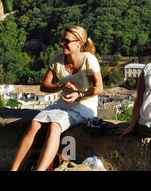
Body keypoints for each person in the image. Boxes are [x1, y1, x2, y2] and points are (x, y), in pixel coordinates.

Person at [11, 26, 103, 171]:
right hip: (63, 102)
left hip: (85, 105)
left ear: (79, 43)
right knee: (35, 124)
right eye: (62, 40)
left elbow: (99, 88)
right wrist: (61, 86)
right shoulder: (58, 59)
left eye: (66, 41)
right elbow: (44, 86)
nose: (62, 44)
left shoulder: (89, 60)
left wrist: (79, 94)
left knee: (55, 125)